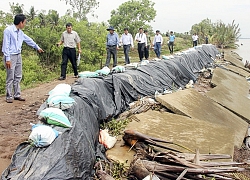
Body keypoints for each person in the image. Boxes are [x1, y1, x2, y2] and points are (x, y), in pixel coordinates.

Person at [2, 14, 44, 103]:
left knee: (18, 75)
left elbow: (28, 40)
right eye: (24, 22)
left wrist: (37, 47)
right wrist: (8, 59)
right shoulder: (8, 31)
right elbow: (6, 45)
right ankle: (9, 96)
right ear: (20, 22)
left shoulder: (20, 32)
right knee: (10, 76)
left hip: (18, 55)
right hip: (10, 56)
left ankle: (17, 95)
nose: (25, 24)